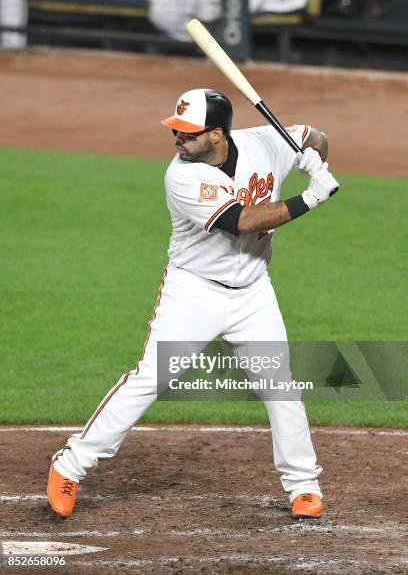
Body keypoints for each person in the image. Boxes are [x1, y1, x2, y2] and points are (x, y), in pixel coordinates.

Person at [47, 88, 339, 520]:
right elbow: (242, 222)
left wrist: (314, 154)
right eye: (176, 131)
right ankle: (69, 466)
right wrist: (312, 195)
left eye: (188, 132)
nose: (177, 139)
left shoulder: (267, 140)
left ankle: (304, 488)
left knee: (280, 388)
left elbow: (316, 136)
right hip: (194, 291)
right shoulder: (181, 176)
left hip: (254, 290)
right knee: (150, 379)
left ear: (218, 134)